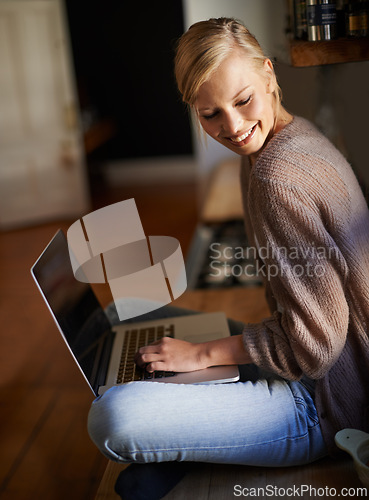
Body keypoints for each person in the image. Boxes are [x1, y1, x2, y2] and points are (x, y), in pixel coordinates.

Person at [87, 17, 369, 499]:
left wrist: (202, 354)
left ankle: (188, 441)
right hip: (305, 359)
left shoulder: (278, 178)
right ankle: (193, 440)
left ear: (268, 74)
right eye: (210, 113)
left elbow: (317, 346)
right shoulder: (284, 139)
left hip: (328, 399)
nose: (233, 127)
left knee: (112, 418)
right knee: (115, 320)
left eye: (243, 101)